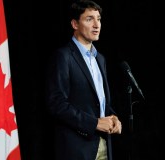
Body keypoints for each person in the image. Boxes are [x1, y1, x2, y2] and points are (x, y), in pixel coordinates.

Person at [45, 0, 122, 160]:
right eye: (89, 19)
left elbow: (99, 101)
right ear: (75, 24)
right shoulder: (63, 57)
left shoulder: (100, 59)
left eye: (98, 19)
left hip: (103, 144)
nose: (96, 25)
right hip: (77, 148)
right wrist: (94, 123)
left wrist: (113, 117)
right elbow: (57, 104)